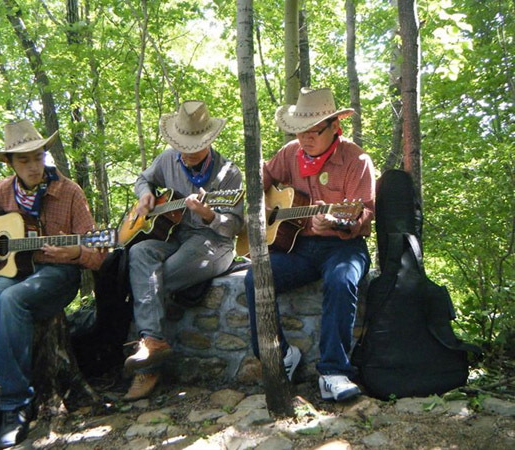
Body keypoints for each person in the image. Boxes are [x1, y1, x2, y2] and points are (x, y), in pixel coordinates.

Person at [0, 119, 105, 450]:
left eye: (38, 156)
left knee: (12, 300)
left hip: (57, 275)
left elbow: (98, 254)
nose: (33, 165)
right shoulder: (1, 191)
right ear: (10, 163)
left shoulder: (69, 192)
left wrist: (76, 250)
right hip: (15, 273)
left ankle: (15, 408)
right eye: (24, 160)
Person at [244, 87, 375, 402]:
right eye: (300, 131)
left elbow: (365, 214)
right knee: (256, 277)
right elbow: (257, 178)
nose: (305, 138)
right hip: (297, 248)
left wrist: (337, 221)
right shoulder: (290, 153)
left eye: (313, 131)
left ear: (334, 127)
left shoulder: (357, 159)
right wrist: (261, 207)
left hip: (343, 246)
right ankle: (282, 355)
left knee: (342, 279)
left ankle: (333, 372)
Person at [123, 100, 244, 401]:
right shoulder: (167, 159)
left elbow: (234, 227)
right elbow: (143, 179)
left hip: (212, 241)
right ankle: (153, 342)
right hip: (175, 234)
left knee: (151, 279)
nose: (186, 152)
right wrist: (145, 195)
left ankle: (148, 363)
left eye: (193, 146)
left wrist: (209, 215)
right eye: (181, 145)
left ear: (209, 140)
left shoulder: (229, 173)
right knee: (139, 254)